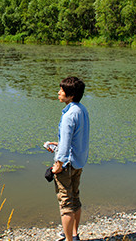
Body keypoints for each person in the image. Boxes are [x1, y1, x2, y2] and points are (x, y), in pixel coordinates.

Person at [46, 76, 89, 241]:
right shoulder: (81, 110)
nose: (58, 93)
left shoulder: (68, 115)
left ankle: (68, 239)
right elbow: (77, 136)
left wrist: (58, 164)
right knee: (75, 198)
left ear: (70, 95)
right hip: (78, 162)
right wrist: (59, 143)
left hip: (67, 165)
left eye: (62, 91)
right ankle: (75, 234)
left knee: (66, 204)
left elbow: (64, 148)